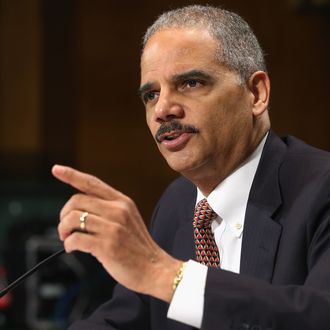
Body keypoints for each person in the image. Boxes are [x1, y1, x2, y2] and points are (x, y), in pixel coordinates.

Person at [52, 5, 330, 330]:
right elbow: (122, 321)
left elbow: (318, 316)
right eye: (151, 95)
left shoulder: (320, 190)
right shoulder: (177, 203)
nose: (163, 110)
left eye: (191, 83)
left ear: (256, 93)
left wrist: (164, 274)